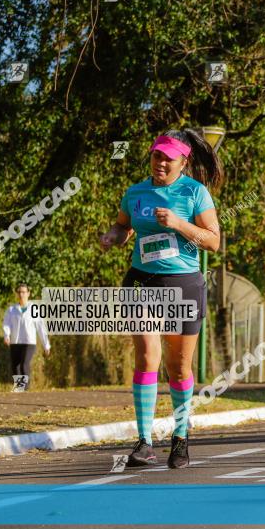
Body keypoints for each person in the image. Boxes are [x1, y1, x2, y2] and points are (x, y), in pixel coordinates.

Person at [100, 129, 222, 468]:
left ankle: (180, 437)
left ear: (183, 161)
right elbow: (124, 226)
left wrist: (180, 224)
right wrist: (114, 235)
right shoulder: (135, 192)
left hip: (183, 282)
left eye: (168, 158)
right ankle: (144, 441)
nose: (161, 162)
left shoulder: (195, 192)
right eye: (157, 155)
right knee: (146, 357)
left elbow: (213, 242)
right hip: (141, 281)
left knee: (178, 365)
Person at [2, 283, 50, 390]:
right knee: (16, 366)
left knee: (24, 364)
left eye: (24, 292)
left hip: (29, 342)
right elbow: (6, 324)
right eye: (19, 292)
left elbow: (40, 327)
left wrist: (46, 345)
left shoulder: (34, 309)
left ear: (28, 294)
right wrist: (7, 335)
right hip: (15, 342)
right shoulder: (11, 310)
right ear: (16, 294)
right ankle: (20, 390)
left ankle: (26, 389)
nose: (21, 294)